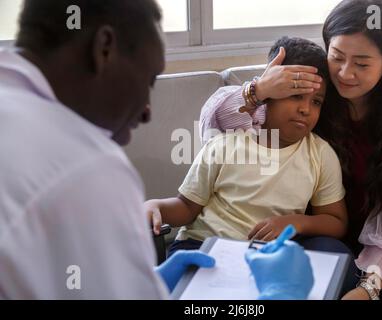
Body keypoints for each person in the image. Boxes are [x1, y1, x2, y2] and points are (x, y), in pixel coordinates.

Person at [0, 0, 313, 299]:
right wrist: (281, 294)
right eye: (148, 80)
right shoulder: (87, 167)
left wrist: (149, 282)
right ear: (103, 49)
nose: (147, 111)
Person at [198, 0, 382, 300]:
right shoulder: (312, 99)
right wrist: (259, 89)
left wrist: (369, 287)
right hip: (320, 234)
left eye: (362, 63)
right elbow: (215, 128)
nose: (345, 73)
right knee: (329, 266)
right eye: (337, 57)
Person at [146, 37, 348, 258]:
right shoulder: (227, 141)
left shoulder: (320, 154)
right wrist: (156, 206)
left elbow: (335, 221)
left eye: (316, 101)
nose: (305, 110)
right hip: (203, 246)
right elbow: (185, 207)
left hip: (266, 256)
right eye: (296, 96)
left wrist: (295, 223)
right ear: (270, 92)